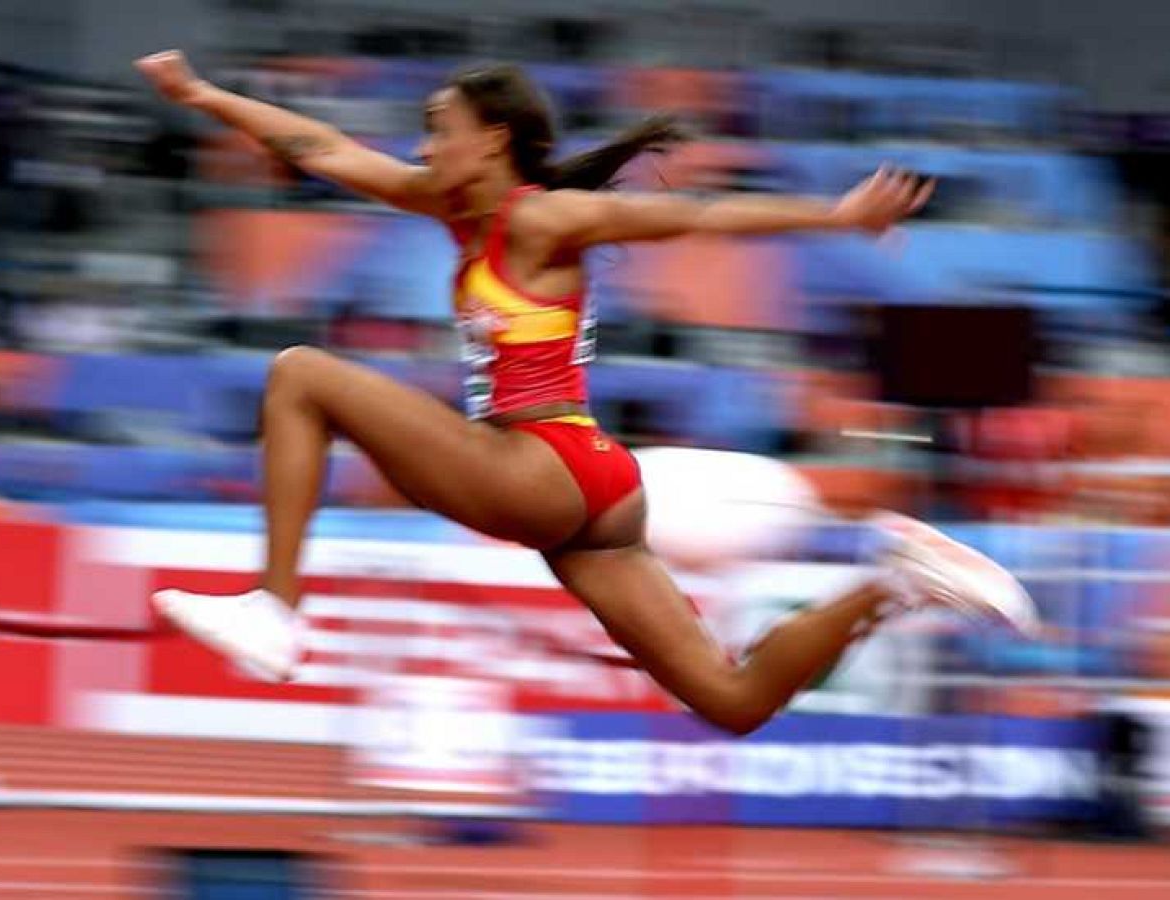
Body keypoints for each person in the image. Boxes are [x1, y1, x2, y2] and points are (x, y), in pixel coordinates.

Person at [137, 51, 1035, 735]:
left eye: (437, 127)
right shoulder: (456, 210)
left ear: (491, 138)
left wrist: (834, 217)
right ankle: (894, 586)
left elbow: (694, 216)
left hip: (540, 465)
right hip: (590, 496)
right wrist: (205, 98)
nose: (421, 145)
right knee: (731, 699)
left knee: (302, 373)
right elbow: (322, 148)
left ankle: (275, 608)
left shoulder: (542, 217)